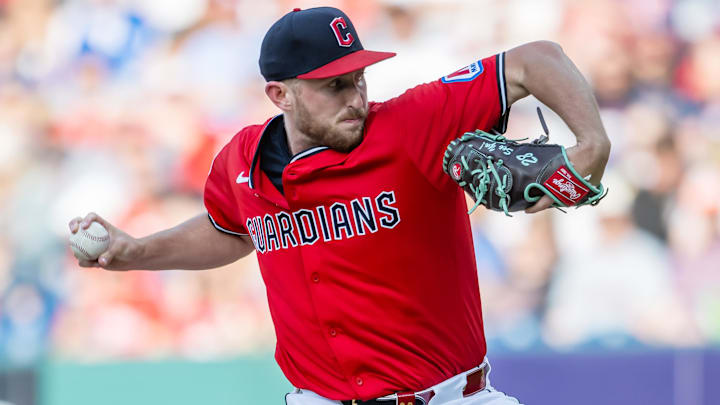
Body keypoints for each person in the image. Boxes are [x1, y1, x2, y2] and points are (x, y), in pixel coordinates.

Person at [69, 6, 610, 405]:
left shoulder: (414, 122)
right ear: (280, 96)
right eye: (334, 86)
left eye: (359, 79)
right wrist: (135, 251)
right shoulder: (242, 161)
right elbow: (231, 230)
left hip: (447, 397)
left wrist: (592, 146)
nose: (356, 97)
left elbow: (536, 60)